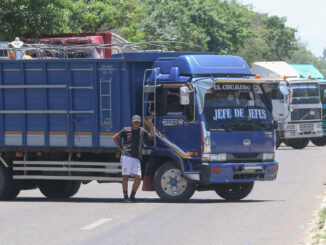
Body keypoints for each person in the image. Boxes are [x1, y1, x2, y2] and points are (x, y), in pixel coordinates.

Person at [113, 115, 154, 202]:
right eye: (135, 122)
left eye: (138, 122)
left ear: (140, 123)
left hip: (137, 158)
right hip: (126, 156)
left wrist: (151, 124)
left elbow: (151, 135)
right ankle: (125, 197)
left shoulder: (142, 130)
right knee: (125, 177)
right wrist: (121, 148)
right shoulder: (126, 130)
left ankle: (132, 196)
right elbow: (115, 137)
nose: (136, 123)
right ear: (132, 122)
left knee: (138, 178)